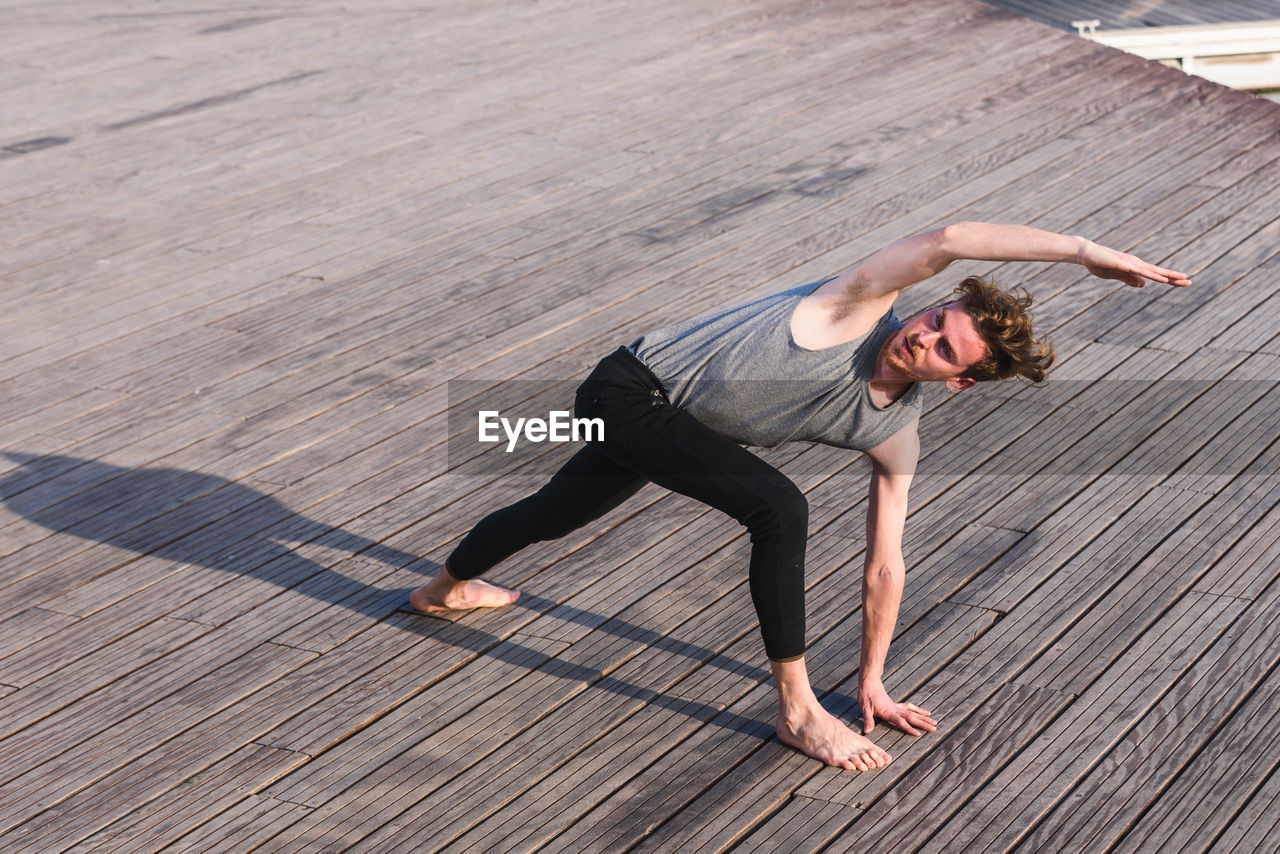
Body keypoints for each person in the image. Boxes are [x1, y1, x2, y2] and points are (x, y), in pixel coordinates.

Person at [410, 221, 1191, 771]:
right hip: (628, 389)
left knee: (555, 513)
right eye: (933, 319)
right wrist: (1084, 252)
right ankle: (796, 708)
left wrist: (873, 680)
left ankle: (444, 589)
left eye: (943, 348)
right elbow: (949, 239)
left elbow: (886, 566)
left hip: (671, 422)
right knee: (779, 506)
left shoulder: (895, 435)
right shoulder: (854, 306)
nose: (921, 336)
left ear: (958, 380)